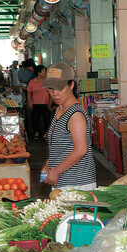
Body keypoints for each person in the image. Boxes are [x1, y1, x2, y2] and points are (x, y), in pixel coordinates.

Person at [41, 62, 96, 190]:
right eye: (50, 88)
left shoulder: (75, 115)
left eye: (59, 88)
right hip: (63, 183)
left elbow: (81, 149)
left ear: (71, 85)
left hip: (77, 184)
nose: (55, 94)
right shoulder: (60, 110)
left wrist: (57, 171)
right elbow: (61, 147)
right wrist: (49, 164)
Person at [27, 65, 53, 140]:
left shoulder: (47, 81)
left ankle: (46, 133)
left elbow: (50, 92)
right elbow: (29, 93)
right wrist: (30, 102)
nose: (45, 73)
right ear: (39, 73)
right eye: (43, 71)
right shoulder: (32, 82)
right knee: (35, 119)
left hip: (45, 104)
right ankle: (36, 132)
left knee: (47, 119)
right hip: (35, 103)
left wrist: (50, 102)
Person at [18, 59, 36, 138]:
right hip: (31, 94)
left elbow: (23, 85)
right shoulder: (27, 72)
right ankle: (31, 129)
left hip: (28, 94)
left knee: (29, 112)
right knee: (31, 112)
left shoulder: (21, 71)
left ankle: (30, 129)